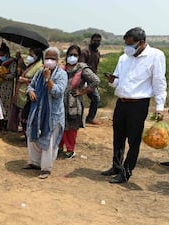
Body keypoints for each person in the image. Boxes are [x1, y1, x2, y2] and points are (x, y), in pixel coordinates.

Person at [101, 27, 167, 183]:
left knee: (133, 140)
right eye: (126, 44)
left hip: (138, 105)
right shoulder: (124, 57)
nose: (128, 48)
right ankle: (116, 166)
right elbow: (118, 81)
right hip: (121, 102)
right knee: (118, 137)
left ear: (142, 43)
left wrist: (159, 107)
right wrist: (112, 81)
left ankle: (126, 172)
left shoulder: (155, 56)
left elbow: (159, 83)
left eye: (131, 44)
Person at [24, 47, 67, 179]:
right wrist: (30, 91)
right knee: (33, 137)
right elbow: (31, 85)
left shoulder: (62, 74)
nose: (49, 61)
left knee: (48, 141)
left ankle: (46, 168)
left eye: (52, 59)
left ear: (58, 60)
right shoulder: (39, 73)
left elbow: (58, 92)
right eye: (47, 58)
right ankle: (35, 163)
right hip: (37, 111)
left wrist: (48, 79)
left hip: (52, 114)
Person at [59, 45, 100, 158]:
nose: (72, 57)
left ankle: (70, 149)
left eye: (75, 55)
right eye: (70, 54)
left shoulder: (82, 68)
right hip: (61, 102)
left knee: (71, 128)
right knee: (60, 125)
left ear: (79, 56)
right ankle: (59, 147)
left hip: (74, 103)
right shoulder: (62, 68)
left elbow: (96, 81)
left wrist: (83, 91)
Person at [14, 47, 43, 138]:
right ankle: (26, 134)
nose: (29, 57)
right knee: (23, 116)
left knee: (27, 116)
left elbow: (38, 81)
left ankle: (29, 136)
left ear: (37, 56)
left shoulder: (40, 66)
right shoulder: (32, 65)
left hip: (30, 95)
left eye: (31, 55)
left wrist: (25, 80)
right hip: (23, 93)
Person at [79, 33, 102, 125]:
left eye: (98, 41)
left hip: (92, 80)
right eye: (95, 40)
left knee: (96, 98)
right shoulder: (85, 52)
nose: (96, 42)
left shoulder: (97, 53)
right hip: (82, 78)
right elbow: (81, 66)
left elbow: (95, 68)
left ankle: (90, 118)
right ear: (91, 40)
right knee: (79, 98)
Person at [0, 43, 18, 132]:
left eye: (2, 54)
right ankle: (0, 124)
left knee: (6, 105)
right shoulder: (1, 62)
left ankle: (5, 125)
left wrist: (3, 76)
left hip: (8, 87)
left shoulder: (12, 62)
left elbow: (13, 75)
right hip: (1, 86)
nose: (0, 56)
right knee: (0, 104)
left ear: (6, 54)